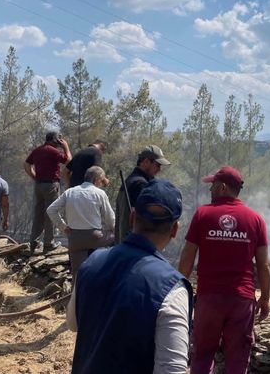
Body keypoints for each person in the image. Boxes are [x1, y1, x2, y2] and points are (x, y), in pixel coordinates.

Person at [68, 179, 192, 374]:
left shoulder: (91, 263)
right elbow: (171, 369)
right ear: (175, 230)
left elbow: (73, 324)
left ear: (132, 217)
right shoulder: (172, 288)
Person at [178, 166, 270, 374]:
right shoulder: (255, 220)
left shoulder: (203, 214)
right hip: (241, 300)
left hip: (209, 299)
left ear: (222, 187)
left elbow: (188, 256)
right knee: (237, 361)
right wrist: (265, 297)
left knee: (202, 355)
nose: (209, 190)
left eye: (212, 186)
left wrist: (179, 287)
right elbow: (264, 265)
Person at [46, 166, 115, 278]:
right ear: (97, 179)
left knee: (77, 273)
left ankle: (75, 293)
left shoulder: (70, 192)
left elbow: (51, 210)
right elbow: (110, 219)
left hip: (74, 238)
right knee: (117, 236)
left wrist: (63, 226)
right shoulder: (100, 193)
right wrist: (116, 230)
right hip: (95, 238)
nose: (102, 184)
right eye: (102, 181)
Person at [24, 132, 71, 253]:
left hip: (39, 184)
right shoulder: (53, 151)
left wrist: (34, 176)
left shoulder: (38, 150)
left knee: (38, 213)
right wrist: (65, 146)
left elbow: (26, 164)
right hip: (51, 184)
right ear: (55, 140)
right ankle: (48, 243)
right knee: (51, 212)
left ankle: (34, 243)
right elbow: (68, 161)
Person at [115, 145, 170, 244]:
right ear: (146, 162)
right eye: (157, 165)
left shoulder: (131, 180)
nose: (159, 169)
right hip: (134, 244)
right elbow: (146, 220)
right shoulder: (140, 184)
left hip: (125, 243)